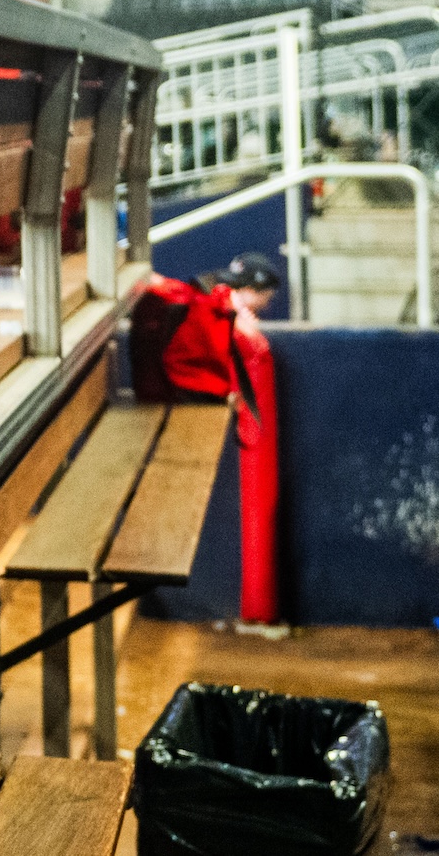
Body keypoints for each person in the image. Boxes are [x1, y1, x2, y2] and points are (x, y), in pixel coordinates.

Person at [127, 253, 281, 625]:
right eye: (266, 295)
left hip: (176, 405)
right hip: (180, 410)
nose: (267, 305)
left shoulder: (216, 306)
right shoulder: (221, 312)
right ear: (253, 289)